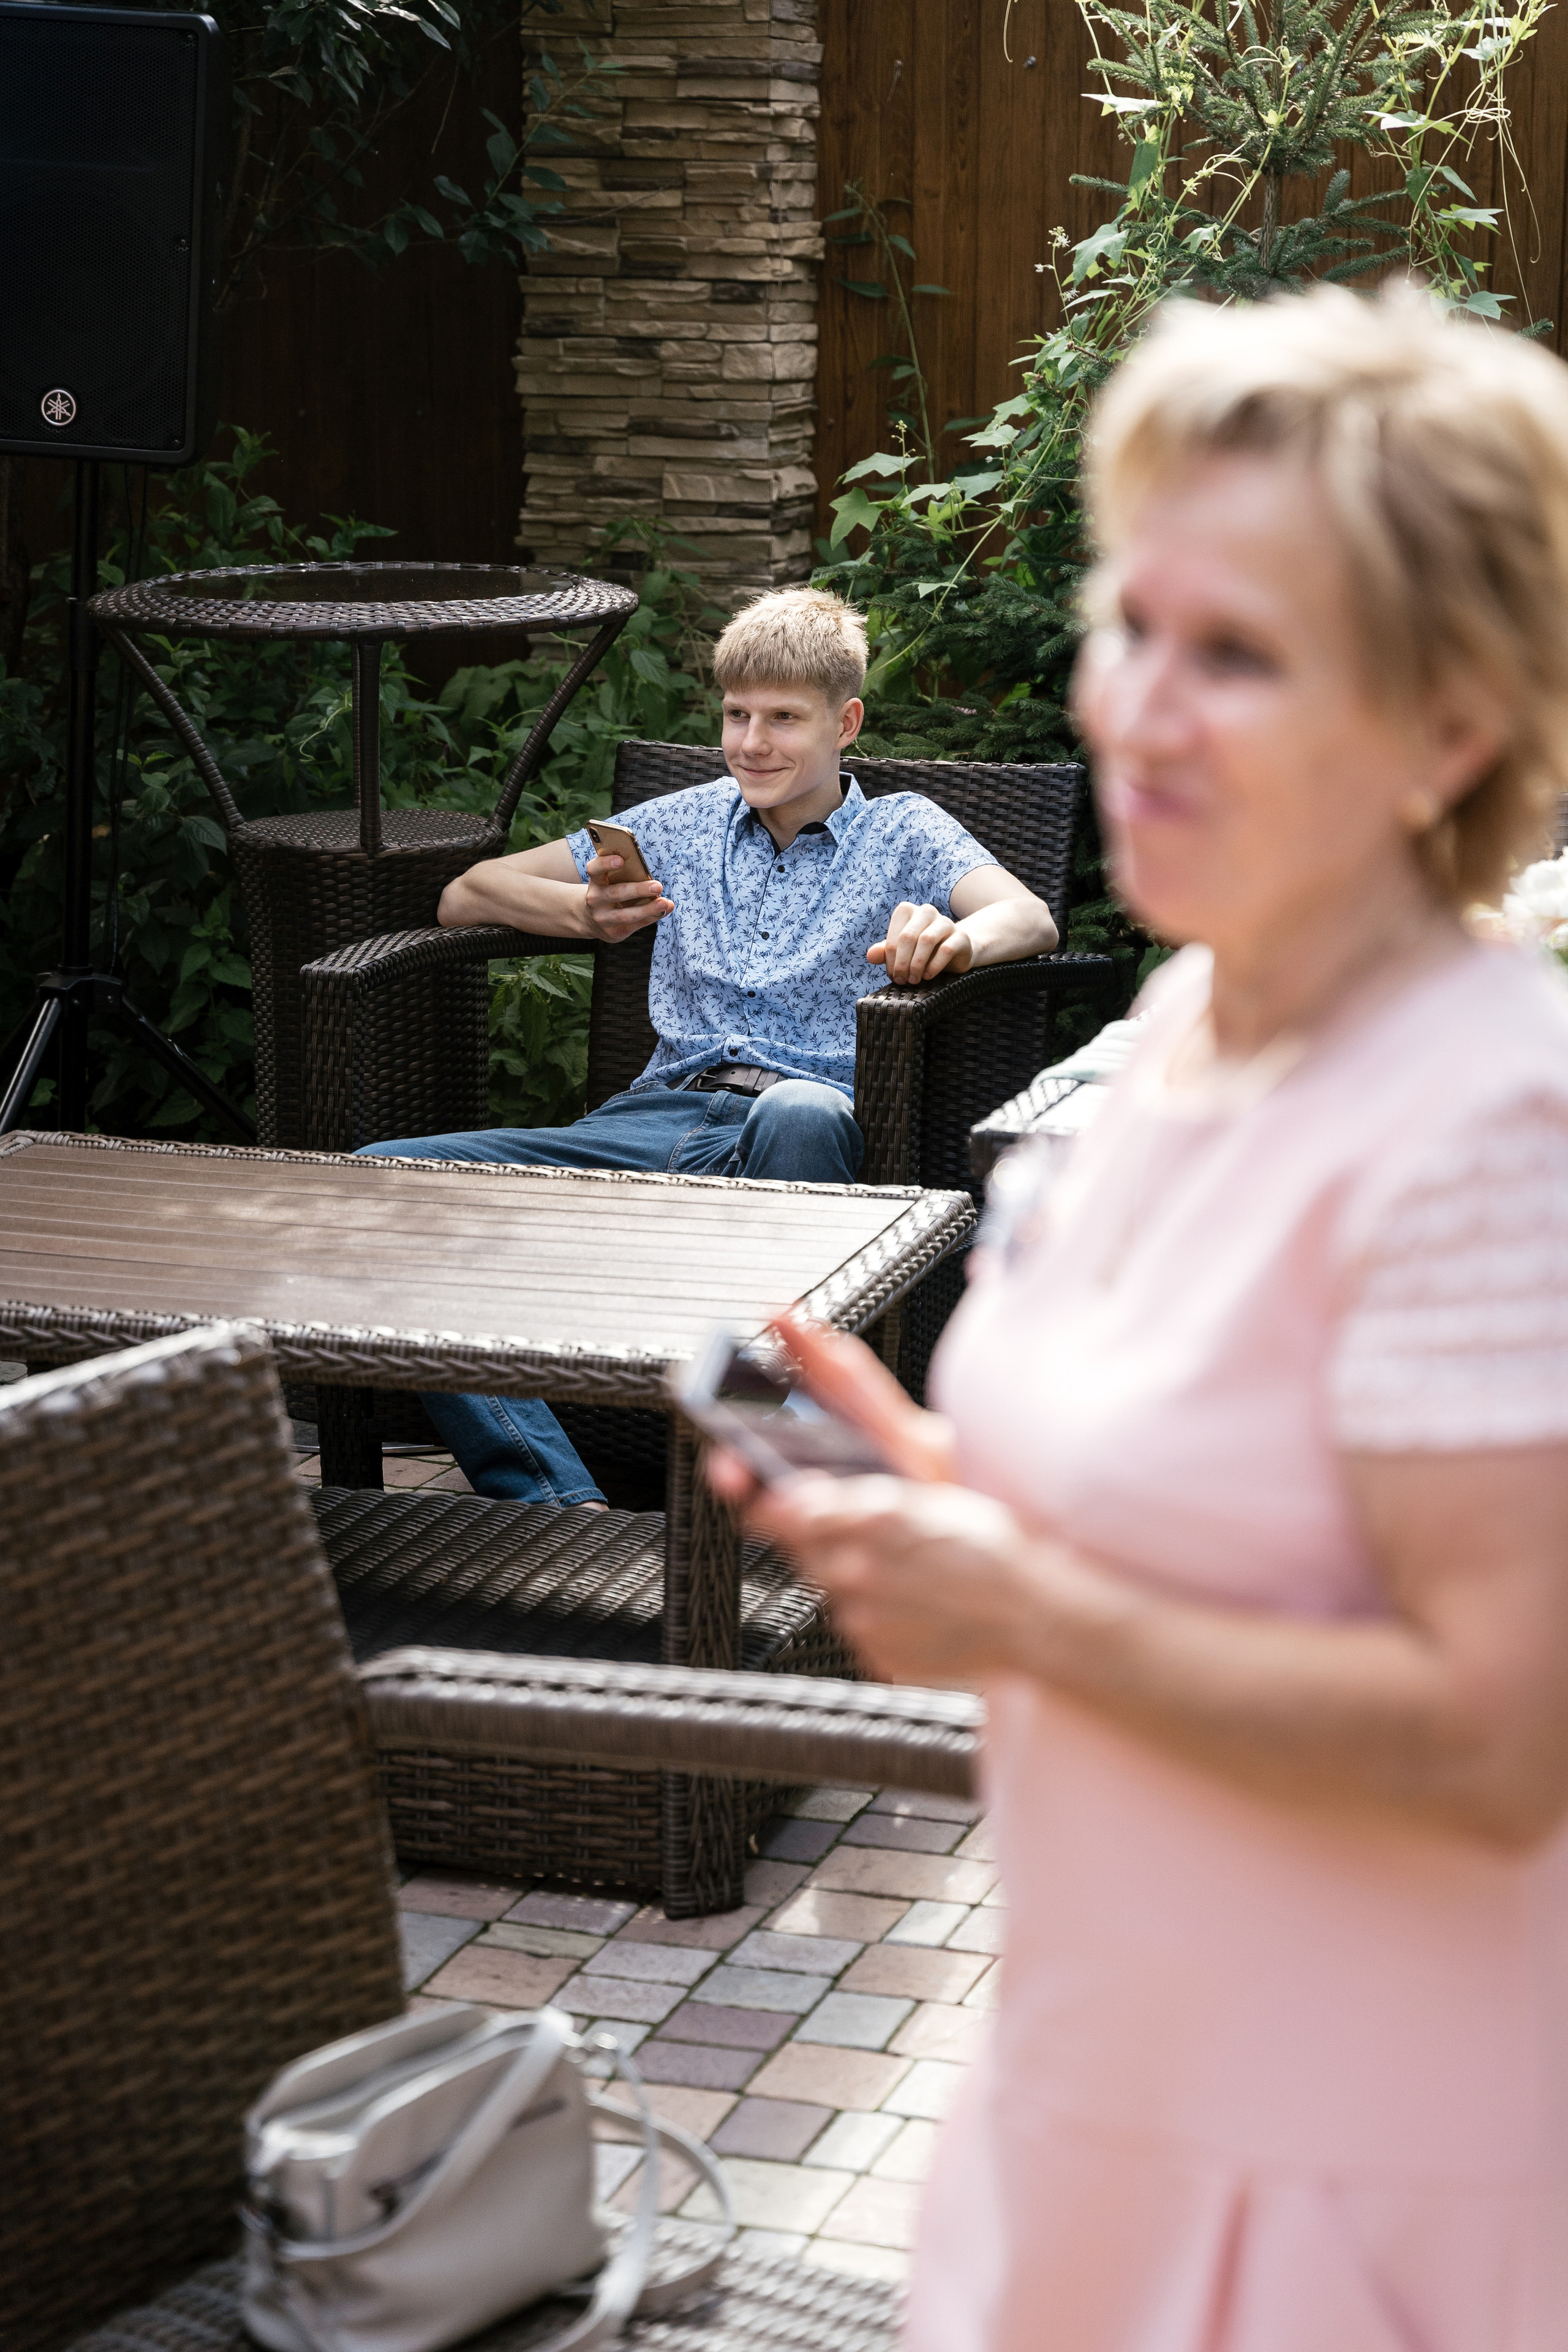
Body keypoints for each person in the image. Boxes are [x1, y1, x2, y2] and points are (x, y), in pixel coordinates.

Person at [713, 284, 1568, 2350]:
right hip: (1093, 2084)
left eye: (1244, 657)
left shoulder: (1486, 1123)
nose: (1141, 713)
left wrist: (1022, 1611)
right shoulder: (1186, 1021)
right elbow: (1205, 1520)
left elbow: (1501, 1734)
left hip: (1351, 2162)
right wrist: (941, 1501)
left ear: (1451, 729)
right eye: (1135, 625)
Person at [361, 586, 1057, 1506]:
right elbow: (470, 891)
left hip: (803, 1128)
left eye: (783, 719)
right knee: (382, 1181)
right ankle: (556, 1506)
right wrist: (579, 910)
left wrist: (955, 940)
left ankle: (790, 1493)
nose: (753, 743)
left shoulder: (904, 830)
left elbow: (1031, 918)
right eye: (736, 715)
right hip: (659, 1120)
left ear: (845, 722)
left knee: (800, 1109)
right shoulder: (677, 822)